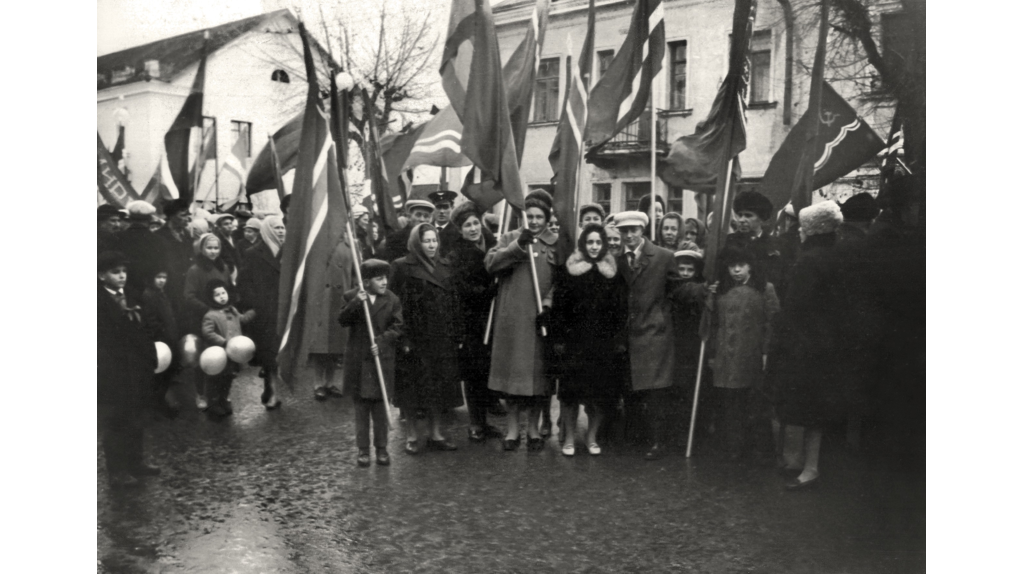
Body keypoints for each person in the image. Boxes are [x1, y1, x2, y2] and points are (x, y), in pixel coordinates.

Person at [767, 201, 846, 490]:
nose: (798, 231)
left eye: (802, 226)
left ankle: (807, 466)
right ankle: (806, 462)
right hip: (828, 341)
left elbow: (795, 306)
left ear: (812, 230)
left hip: (806, 344)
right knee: (816, 407)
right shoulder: (837, 255)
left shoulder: (809, 261)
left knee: (807, 406)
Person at [486, 192, 559, 452]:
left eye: (540, 217)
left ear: (548, 218)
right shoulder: (509, 238)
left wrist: (549, 305)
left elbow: (561, 281)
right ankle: (513, 429)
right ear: (523, 217)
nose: (536, 221)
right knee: (513, 382)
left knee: (539, 382)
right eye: (531, 216)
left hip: (540, 321)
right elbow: (491, 263)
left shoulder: (556, 244)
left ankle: (534, 429)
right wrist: (517, 246)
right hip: (512, 321)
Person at [549, 224, 628, 456]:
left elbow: (620, 311)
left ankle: (592, 436)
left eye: (598, 242)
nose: (594, 247)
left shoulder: (613, 273)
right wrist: (560, 339)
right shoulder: (569, 271)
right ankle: (570, 438)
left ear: (604, 245)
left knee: (599, 396)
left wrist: (617, 340)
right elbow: (559, 309)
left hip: (602, 345)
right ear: (583, 244)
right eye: (590, 242)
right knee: (571, 395)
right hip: (574, 343)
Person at [613, 210, 685, 460]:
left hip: (654, 333)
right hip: (629, 333)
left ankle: (658, 441)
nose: (629, 235)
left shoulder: (663, 257)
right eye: (624, 231)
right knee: (632, 388)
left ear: (642, 230)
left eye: (634, 230)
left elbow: (678, 290)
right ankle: (637, 437)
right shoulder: (616, 259)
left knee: (656, 391)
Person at [390, 223, 463, 454]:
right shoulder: (402, 266)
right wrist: (402, 338)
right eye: (426, 241)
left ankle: (436, 433)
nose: (432, 245)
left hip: (441, 337)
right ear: (416, 243)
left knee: (438, 388)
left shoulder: (445, 265)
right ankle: (412, 435)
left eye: (434, 241)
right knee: (412, 389)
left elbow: (454, 302)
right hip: (414, 338)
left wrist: (457, 332)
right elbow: (395, 305)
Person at [707, 245, 780, 460]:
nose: (736, 270)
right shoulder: (721, 290)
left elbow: (772, 323)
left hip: (752, 353)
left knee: (755, 402)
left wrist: (767, 351)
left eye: (741, 265)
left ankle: (761, 449)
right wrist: (712, 353)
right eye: (732, 266)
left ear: (750, 267)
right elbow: (713, 323)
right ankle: (734, 446)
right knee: (731, 402)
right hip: (726, 353)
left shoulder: (764, 289)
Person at [97, 251, 160, 488]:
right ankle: (117, 470)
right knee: (116, 421)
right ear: (102, 275)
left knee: (138, 416)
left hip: (138, 367)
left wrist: (150, 356)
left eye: (124, 271)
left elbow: (145, 330)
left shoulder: (134, 295)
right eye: (115, 272)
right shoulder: (97, 301)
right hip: (113, 369)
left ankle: (136, 462)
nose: (122, 276)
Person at [338, 259, 404, 467]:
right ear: (366, 282)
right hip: (359, 362)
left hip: (381, 361)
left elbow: (398, 326)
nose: (384, 282)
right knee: (361, 411)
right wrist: (357, 302)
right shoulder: (352, 296)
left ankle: (382, 448)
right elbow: (342, 320)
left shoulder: (392, 299)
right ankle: (363, 449)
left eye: (385, 278)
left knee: (380, 408)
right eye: (379, 279)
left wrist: (383, 342)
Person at [447, 201, 502, 442]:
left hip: (494, 319)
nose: (472, 229)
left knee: (488, 370)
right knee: (474, 374)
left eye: (475, 223)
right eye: (467, 225)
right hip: (470, 322)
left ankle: (485, 420)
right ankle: (476, 423)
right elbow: (463, 289)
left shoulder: (493, 245)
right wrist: (491, 290)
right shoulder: (456, 254)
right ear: (460, 230)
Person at [236, 215, 286, 409]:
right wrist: (255, 304)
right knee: (269, 353)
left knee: (278, 353)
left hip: (284, 309)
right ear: (266, 230)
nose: (281, 231)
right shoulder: (253, 253)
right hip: (265, 311)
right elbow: (244, 282)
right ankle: (272, 390)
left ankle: (271, 387)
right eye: (276, 227)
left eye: (282, 227)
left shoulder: (289, 253)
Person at [183, 233, 233, 410]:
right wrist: (207, 309)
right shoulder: (195, 270)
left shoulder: (223, 267)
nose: (213, 251)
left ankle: (221, 394)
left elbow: (228, 290)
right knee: (202, 358)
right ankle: (201, 393)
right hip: (203, 318)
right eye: (209, 248)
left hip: (221, 318)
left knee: (222, 355)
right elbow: (189, 296)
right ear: (202, 249)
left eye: (216, 248)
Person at [307, 231, 357, 401]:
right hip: (322, 300)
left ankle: (330, 382)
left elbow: (355, 274)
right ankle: (318, 383)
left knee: (336, 345)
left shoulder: (350, 246)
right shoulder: (316, 245)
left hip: (341, 299)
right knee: (321, 346)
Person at [200, 279, 255, 418]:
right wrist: (223, 342)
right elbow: (207, 332)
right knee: (215, 379)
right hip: (218, 355)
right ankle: (213, 403)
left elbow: (241, 319)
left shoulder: (232, 310)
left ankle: (223, 399)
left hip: (233, 354)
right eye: (217, 295)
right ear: (211, 298)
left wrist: (253, 313)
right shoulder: (210, 315)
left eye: (223, 293)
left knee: (228, 378)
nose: (222, 297)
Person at [722, 191, 786, 302]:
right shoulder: (730, 241)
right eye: (740, 215)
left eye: (748, 215)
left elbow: (782, 279)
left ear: (761, 218)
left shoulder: (776, 244)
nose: (741, 220)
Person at [141, 269, 181, 415]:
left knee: (166, 374)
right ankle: (158, 403)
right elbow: (151, 320)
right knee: (160, 374)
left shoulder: (161, 293)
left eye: (164, 277)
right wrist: (163, 334)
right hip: (161, 340)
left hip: (169, 338)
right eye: (158, 277)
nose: (162, 280)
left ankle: (160, 401)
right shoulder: (149, 295)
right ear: (152, 278)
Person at [115, 200, 169, 296]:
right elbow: (163, 267)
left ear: (130, 218)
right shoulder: (159, 241)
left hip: (123, 289)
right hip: (149, 291)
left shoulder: (117, 237)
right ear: (150, 219)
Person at [383, 196, 435, 262]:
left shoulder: (433, 239)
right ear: (409, 217)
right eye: (418, 215)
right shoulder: (395, 239)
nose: (422, 219)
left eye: (426, 216)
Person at [429, 189, 460, 257]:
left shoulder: (458, 233)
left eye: (445, 207)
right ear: (433, 209)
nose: (442, 211)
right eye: (438, 207)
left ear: (452, 208)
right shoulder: (426, 229)